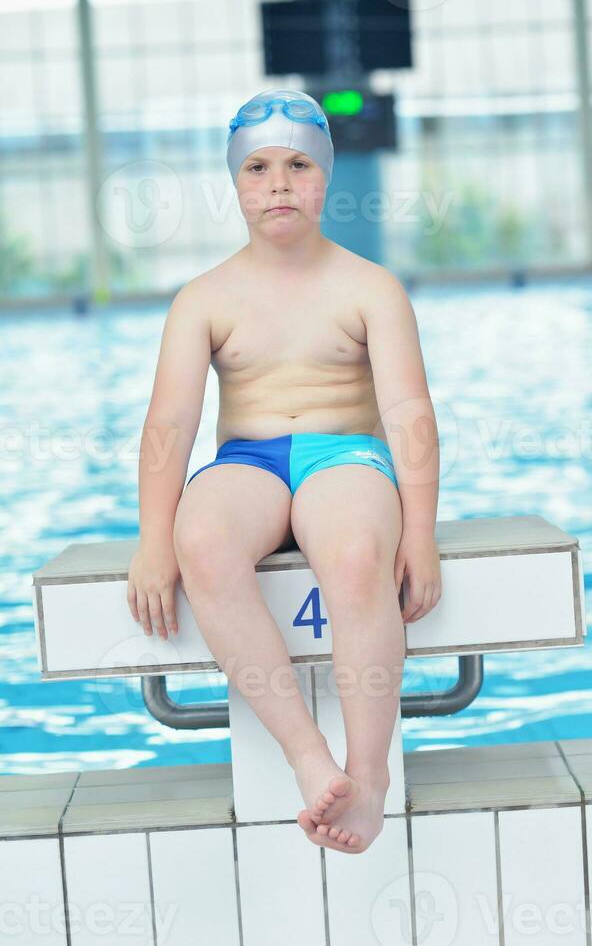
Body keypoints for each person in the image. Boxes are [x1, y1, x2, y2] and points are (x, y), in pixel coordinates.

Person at [127, 88, 442, 854]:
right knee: (201, 543)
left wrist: (422, 535)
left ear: (325, 177)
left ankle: (368, 777)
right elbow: (170, 426)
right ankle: (309, 759)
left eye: (299, 164)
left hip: (347, 454)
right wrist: (150, 539)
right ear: (235, 183)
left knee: (357, 552)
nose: (278, 184)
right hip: (249, 460)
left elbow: (410, 417)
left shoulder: (370, 287)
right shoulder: (204, 299)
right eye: (259, 168)